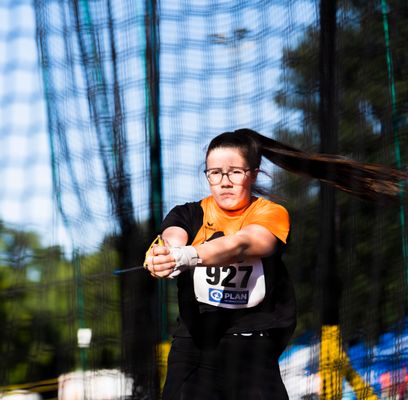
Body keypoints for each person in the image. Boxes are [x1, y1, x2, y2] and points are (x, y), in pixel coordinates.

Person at [144, 128, 408, 399]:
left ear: (254, 174)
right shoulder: (186, 213)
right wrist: (168, 254)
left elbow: (243, 244)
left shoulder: (270, 213)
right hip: (193, 348)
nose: (224, 182)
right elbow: (172, 236)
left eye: (235, 172)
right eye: (214, 173)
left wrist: (190, 256)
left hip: (254, 351)